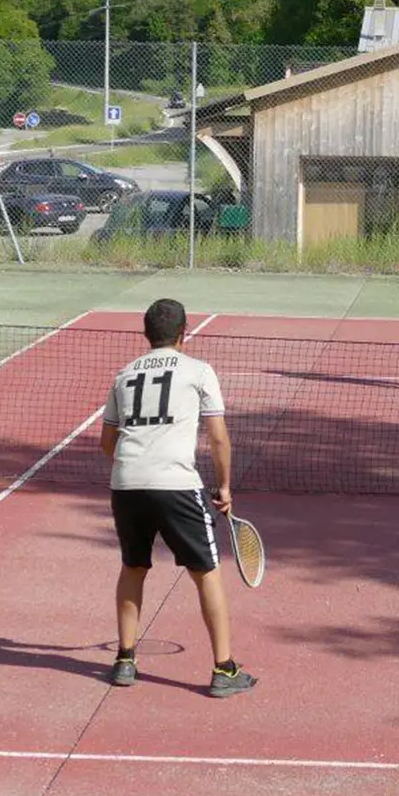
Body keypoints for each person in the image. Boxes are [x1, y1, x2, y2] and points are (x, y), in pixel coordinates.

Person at [100, 298, 254, 698]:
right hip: (176, 485)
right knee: (207, 572)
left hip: (126, 483)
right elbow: (218, 437)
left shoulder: (124, 373)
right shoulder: (199, 371)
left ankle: (125, 659)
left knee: (133, 567)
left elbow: (107, 444)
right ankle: (225, 669)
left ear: (145, 334)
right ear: (185, 332)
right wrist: (224, 487)